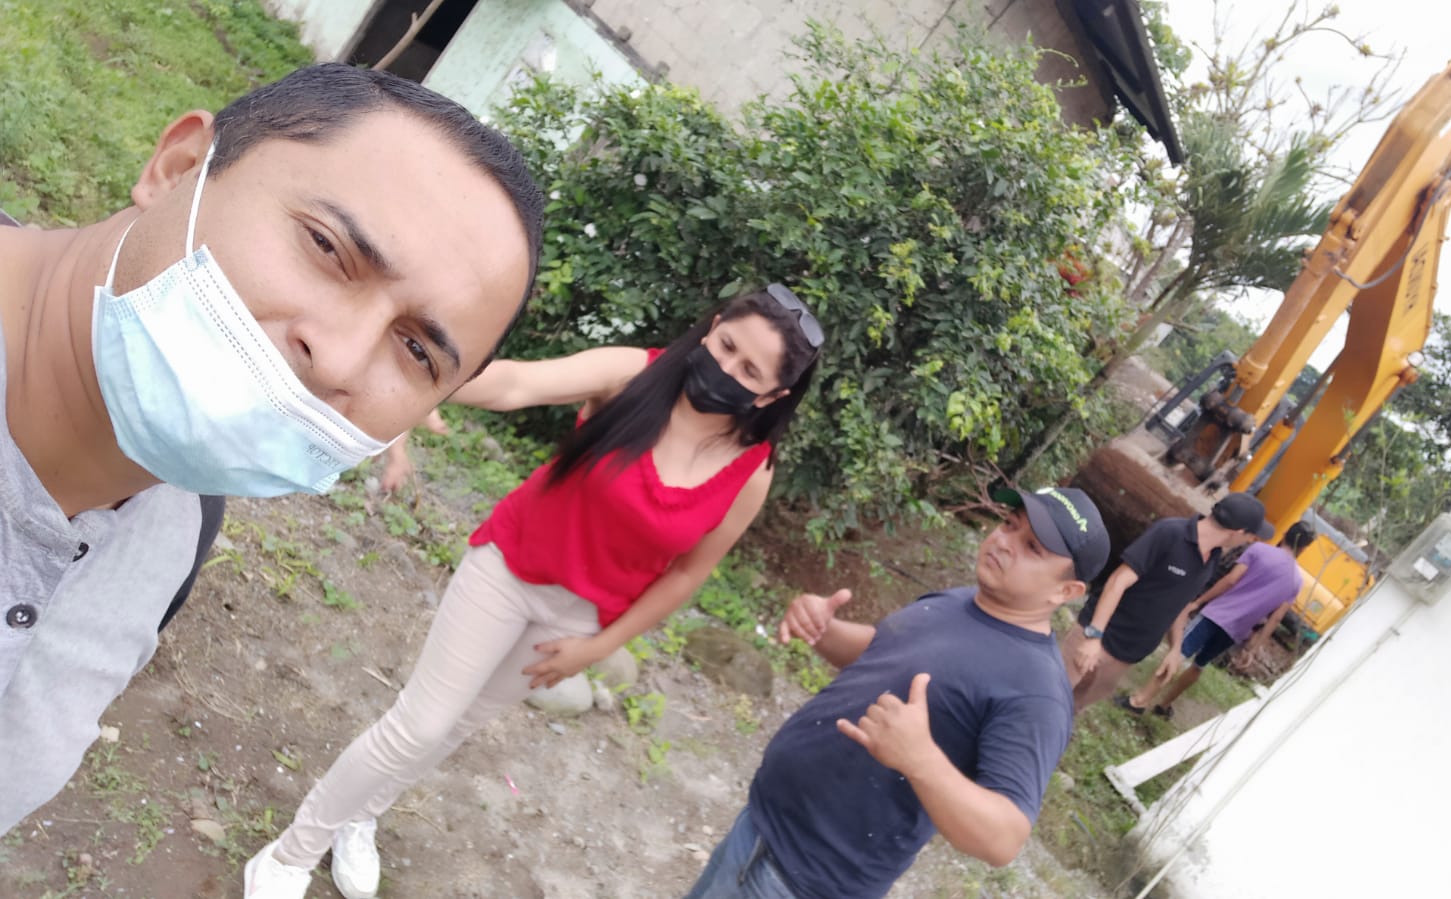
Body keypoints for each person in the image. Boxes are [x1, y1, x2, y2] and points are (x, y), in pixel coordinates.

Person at [0, 64, 546, 834]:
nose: (340, 359)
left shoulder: (178, 532)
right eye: (326, 247)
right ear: (178, 167)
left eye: (417, 351)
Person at [246, 286, 825, 899]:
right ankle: (290, 854)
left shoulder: (751, 472)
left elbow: (686, 575)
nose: (726, 368)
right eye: (727, 345)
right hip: (509, 567)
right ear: (713, 326)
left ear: (773, 394)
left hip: (574, 622)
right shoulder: (634, 375)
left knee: (458, 726)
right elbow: (517, 384)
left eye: (749, 370)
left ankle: (362, 815)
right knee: (420, 725)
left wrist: (598, 648)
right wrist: (422, 382)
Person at [683, 485, 1111, 899]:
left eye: (1032, 547)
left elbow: (1004, 838)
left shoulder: (1037, 694)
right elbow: (884, 652)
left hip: (806, 881)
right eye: (1010, 524)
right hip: (761, 822)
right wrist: (822, 630)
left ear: (1066, 591)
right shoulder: (962, 601)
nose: (1004, 541)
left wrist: (920, 759)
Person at [1062, 493, 1265, 711]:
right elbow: (1118, 581)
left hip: (1128, 654)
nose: (1249, 541)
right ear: (1238, 532)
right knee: (1048, 695)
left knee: (1072, 709)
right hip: (1098, 636)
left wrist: (1175, 649)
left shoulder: (1212, 559)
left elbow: (1179, 606)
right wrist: (1094, 636)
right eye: (1251, 536)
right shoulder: (1170, 533)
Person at [1116, 521, 1316, 718]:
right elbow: (1276, 618)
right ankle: (1164, 705)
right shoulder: (1296, 582)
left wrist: (1199, 601)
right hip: (1237, 630)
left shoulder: (1259, 550)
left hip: (1218, 614)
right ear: (1305, 548)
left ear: (1286, 533)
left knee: (1179, 653)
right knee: (1199, 665)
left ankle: (1138, 701)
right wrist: (1253, 649)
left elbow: (1231, 580)